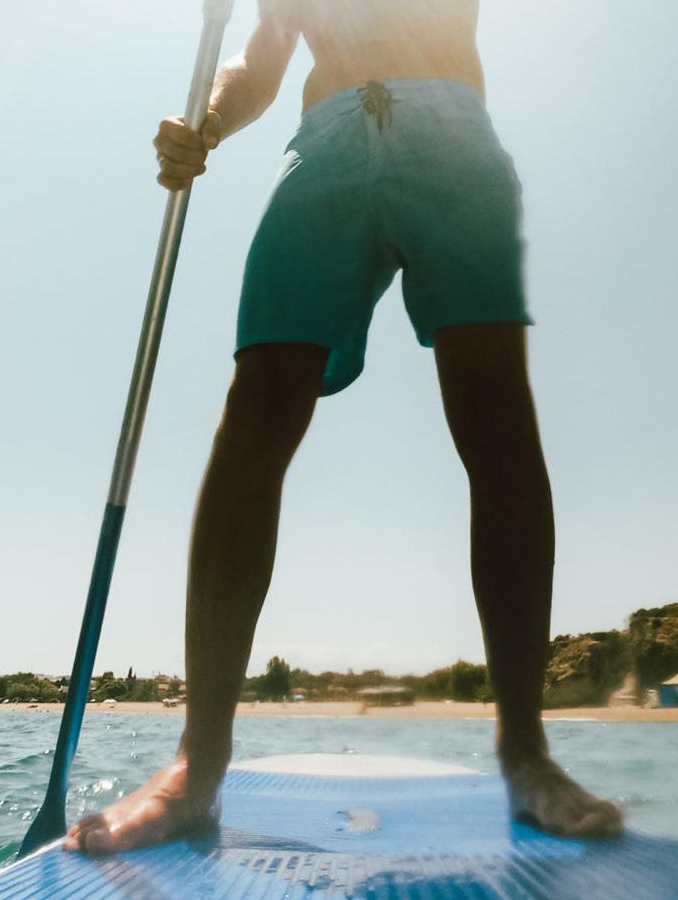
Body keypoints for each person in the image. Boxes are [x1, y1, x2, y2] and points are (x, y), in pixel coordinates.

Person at [64, 0, 623, 853]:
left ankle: (527, 755)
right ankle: (197, 766)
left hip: (451, 130)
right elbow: (264, 54)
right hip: (322, 142)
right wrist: (207, 124)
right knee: (256, 412)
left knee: (493, 411)